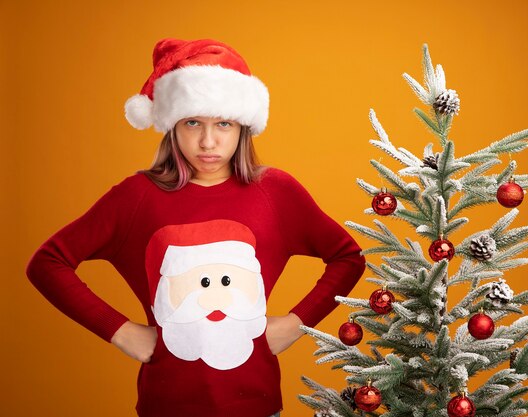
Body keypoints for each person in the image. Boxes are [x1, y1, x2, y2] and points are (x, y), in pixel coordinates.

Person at [26, 38, 365, 417]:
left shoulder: (276, 192)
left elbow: (347, 257)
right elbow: (48, 263)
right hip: (167, 404)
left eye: (223, 123)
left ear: (243, 128)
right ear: (173, 127)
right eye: (192, 123)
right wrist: (121, 331)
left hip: (257, 403)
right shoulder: (138, 196)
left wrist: (294, 325)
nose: (208, 141)